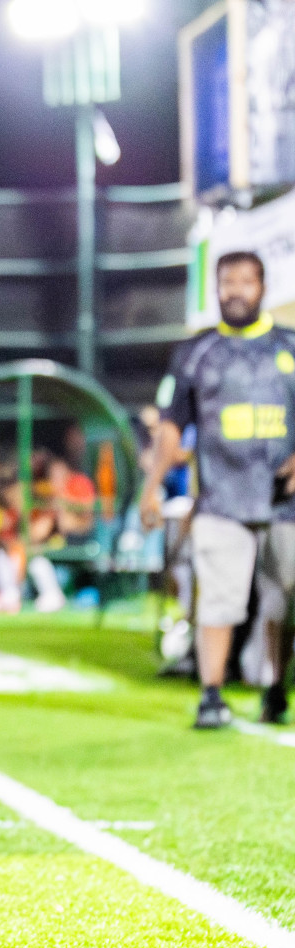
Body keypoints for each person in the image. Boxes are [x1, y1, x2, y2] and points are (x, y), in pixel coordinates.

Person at [141, 252, 295, 729]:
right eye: (227, 281)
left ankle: (276, 687)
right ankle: (211, 694)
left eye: (246, 281)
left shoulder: (289, 345)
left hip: (285, 503)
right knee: (219, 600)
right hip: (220, 499)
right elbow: (171, 426)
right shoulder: (196, 352)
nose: (236, 291)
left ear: (263, 287)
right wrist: (151, 487)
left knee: (285, 601)